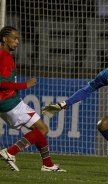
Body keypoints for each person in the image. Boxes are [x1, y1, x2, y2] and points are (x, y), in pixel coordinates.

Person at [0, 26, 66, 172]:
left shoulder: (4, 56)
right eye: (14, 38)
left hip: (6, 104)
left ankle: (48, 164)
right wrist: (25, 84)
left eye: (18, 38)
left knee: (38, 129)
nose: (17, 41)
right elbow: (1, 82)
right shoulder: (4, 56)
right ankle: (10, 152)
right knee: (43, 128)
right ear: (5, 39)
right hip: (10, 102)